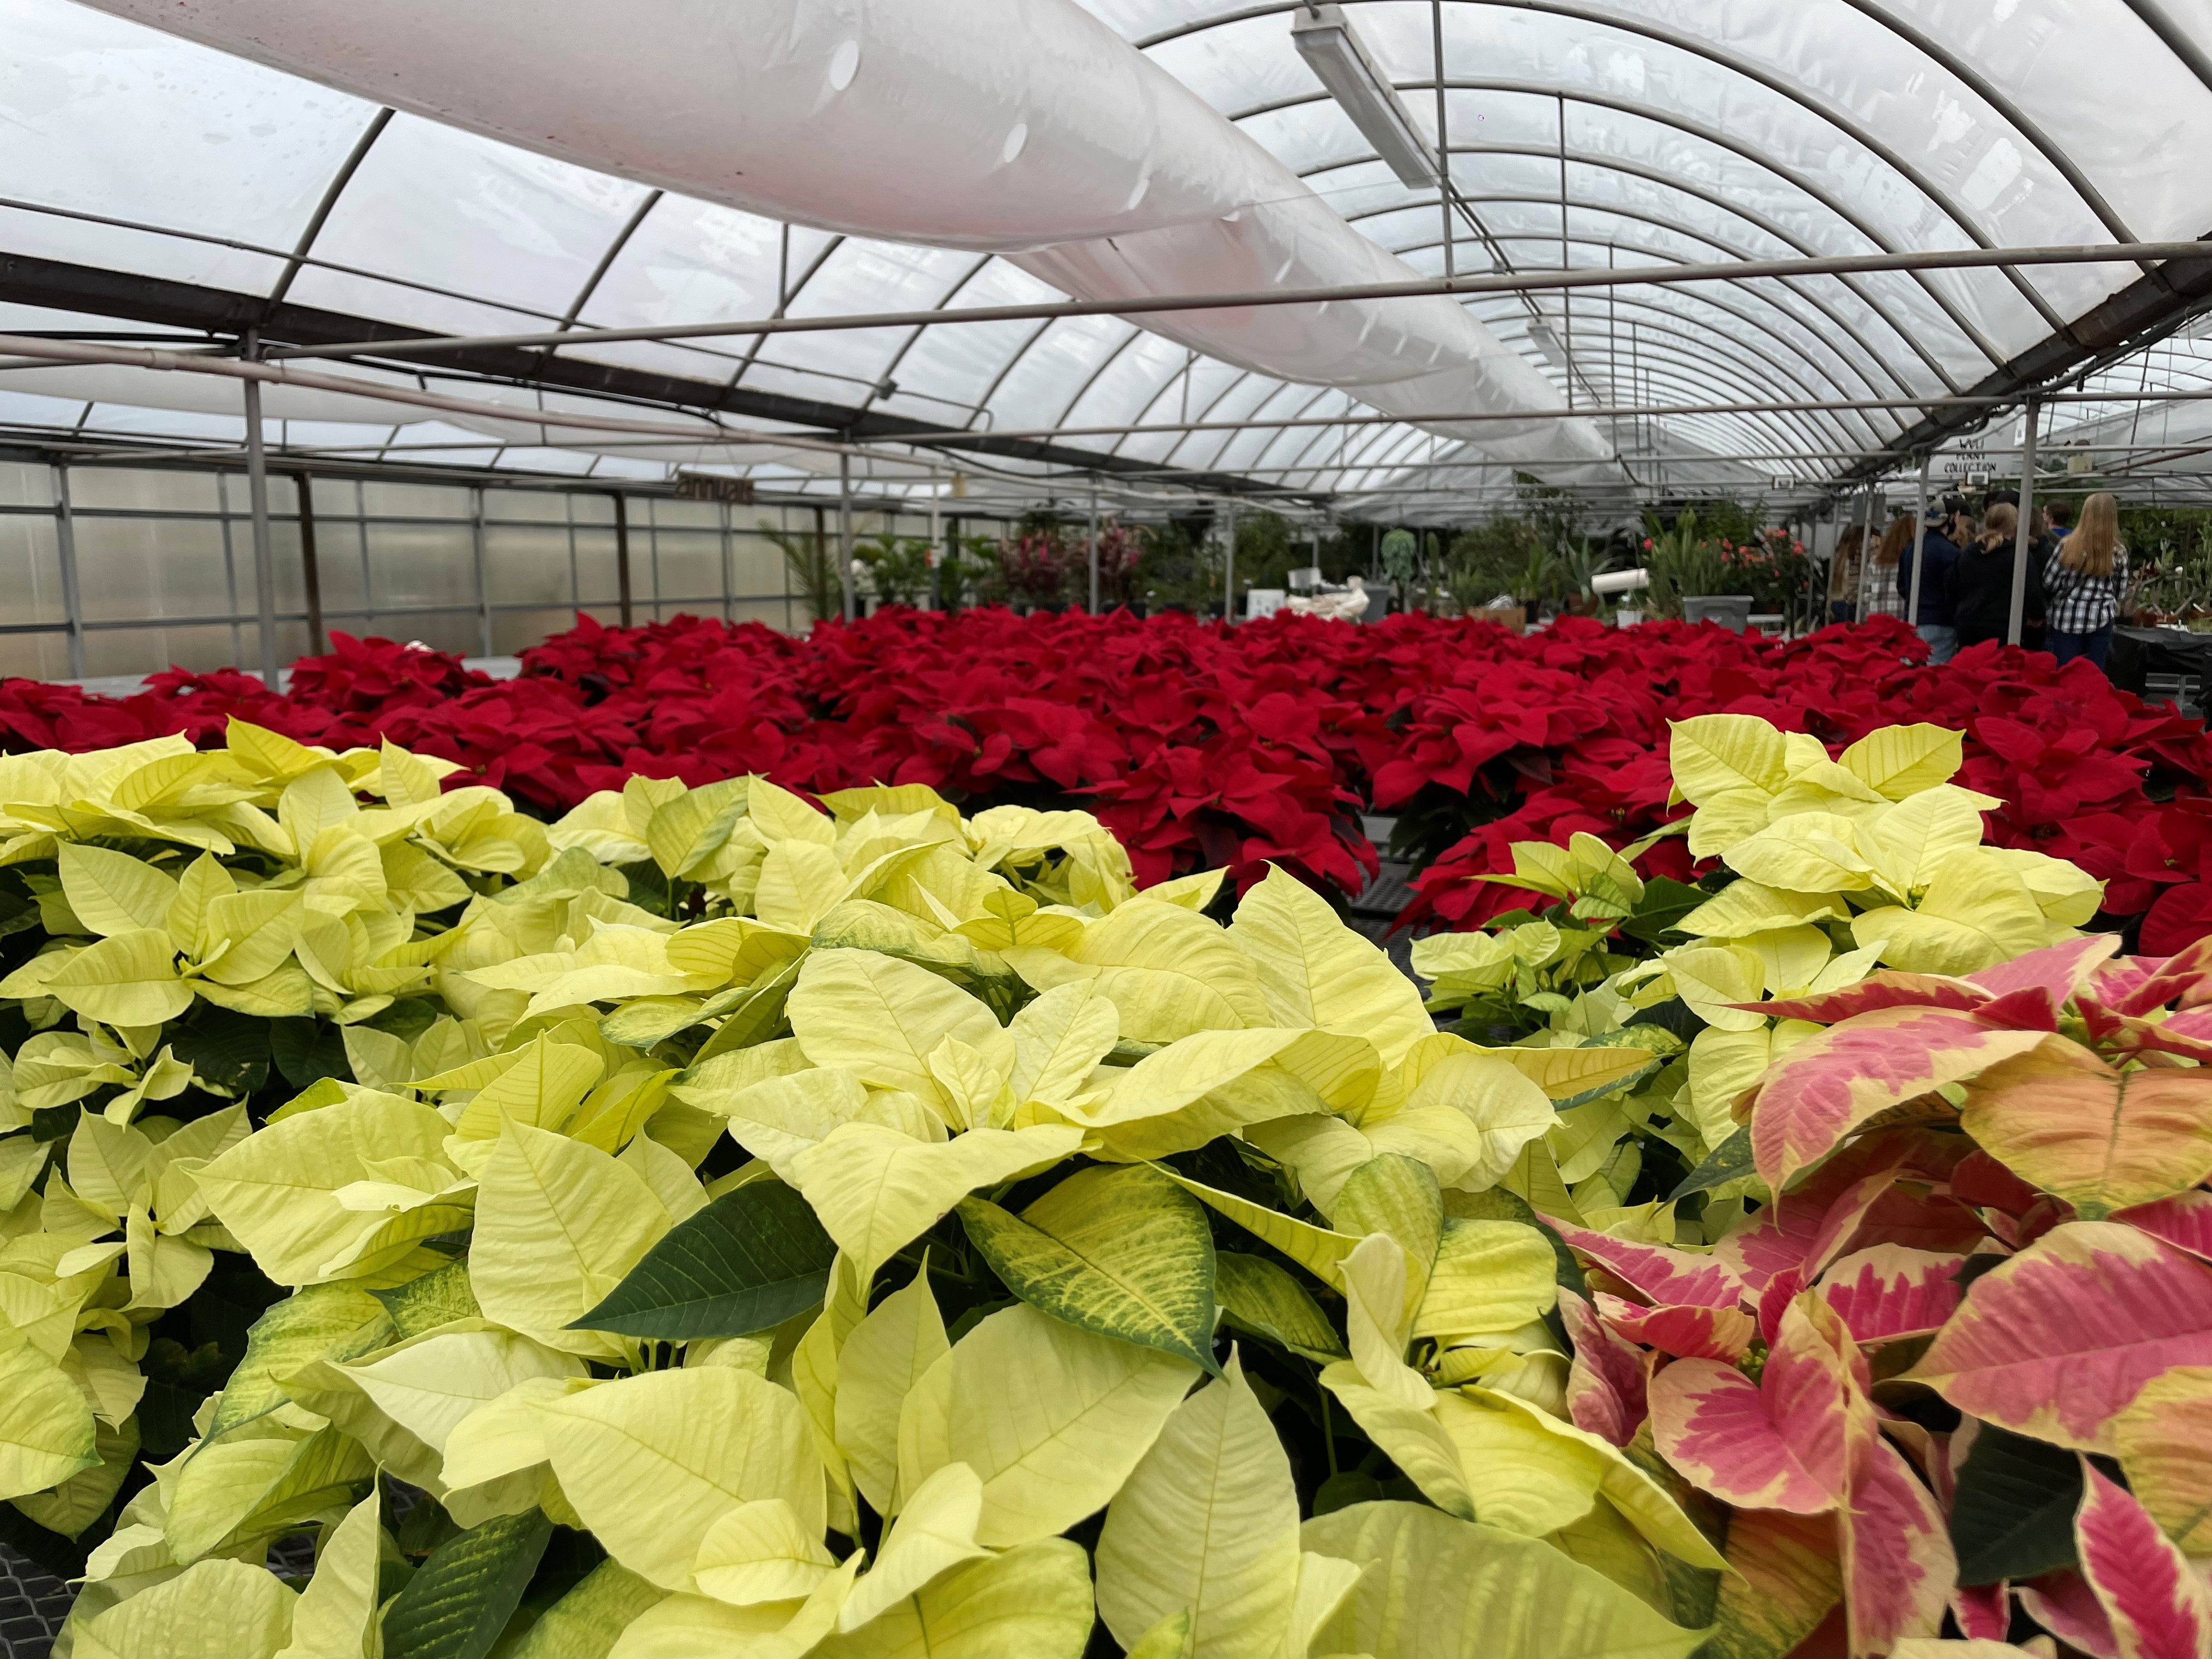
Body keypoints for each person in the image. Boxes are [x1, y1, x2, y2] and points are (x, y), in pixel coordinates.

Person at [2042, 491, 2127, 668]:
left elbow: (2049, 582)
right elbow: (2120, 591)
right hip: (2101, 618)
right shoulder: (2118, 551)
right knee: (2093, 678)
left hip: (2067, 618)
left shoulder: (2067, 545)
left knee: (2065, 676)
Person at [1951, 501, 2045, 651]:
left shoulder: (1967, 553)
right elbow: (2031, 590)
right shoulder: (2018, 555)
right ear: (2015, 524)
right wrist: (2037, 617)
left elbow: (1952, 586)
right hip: (2004, 627)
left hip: (1968, 624)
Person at [1897, 496, 1965, 662]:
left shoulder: (1909, 550)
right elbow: (1956, 590)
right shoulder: (1952, 553)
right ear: (1950, 519)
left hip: (1912, 620)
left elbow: (1902, 586)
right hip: (1942, 623)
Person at [1862, 514, 1910, 619]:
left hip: (1877, 620)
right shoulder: (1911, 563)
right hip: (1901, 620)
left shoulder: (1874, 562)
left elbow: (1866, 595)